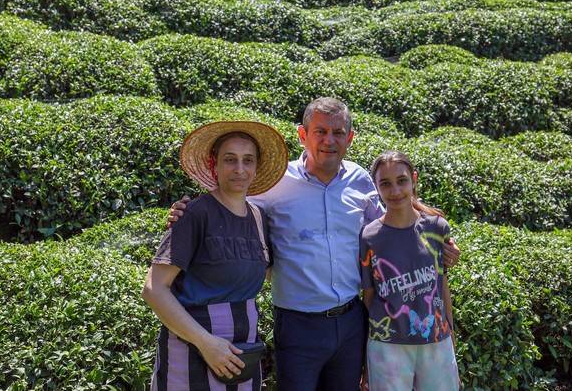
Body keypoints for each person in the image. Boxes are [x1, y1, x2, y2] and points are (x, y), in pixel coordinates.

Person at [168, 97, 460, 391]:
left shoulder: (360, 179)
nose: (329, 140)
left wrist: (438, 241)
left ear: (350, 138)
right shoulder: (275, 183)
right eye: (320, 131)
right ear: (303, 135)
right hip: (297, 325)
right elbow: (230, 204)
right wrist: (188, 210)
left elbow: (394, 225)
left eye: (338, 132)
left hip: (350, 322)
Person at [142, 121, 289, 391]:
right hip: (191, 352)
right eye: (230, 159)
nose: (240, 169)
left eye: (248, 160)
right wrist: (206, 343)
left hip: (242, 355)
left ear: (256, 167)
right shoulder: (195, 214)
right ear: (215, 165)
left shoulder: (259, 218)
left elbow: (266, 273)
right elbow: (153, 289)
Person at [361, 151, 459, 391]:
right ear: (377, 187)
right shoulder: (369, 237)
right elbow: (369, 296)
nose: (395, 191)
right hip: (387, 345)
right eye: (386, 184)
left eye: (402, 180)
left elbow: (441, 284)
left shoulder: (437, 227)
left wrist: (451, 336)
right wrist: (364, 357)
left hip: (435, 340)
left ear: (413, 179)